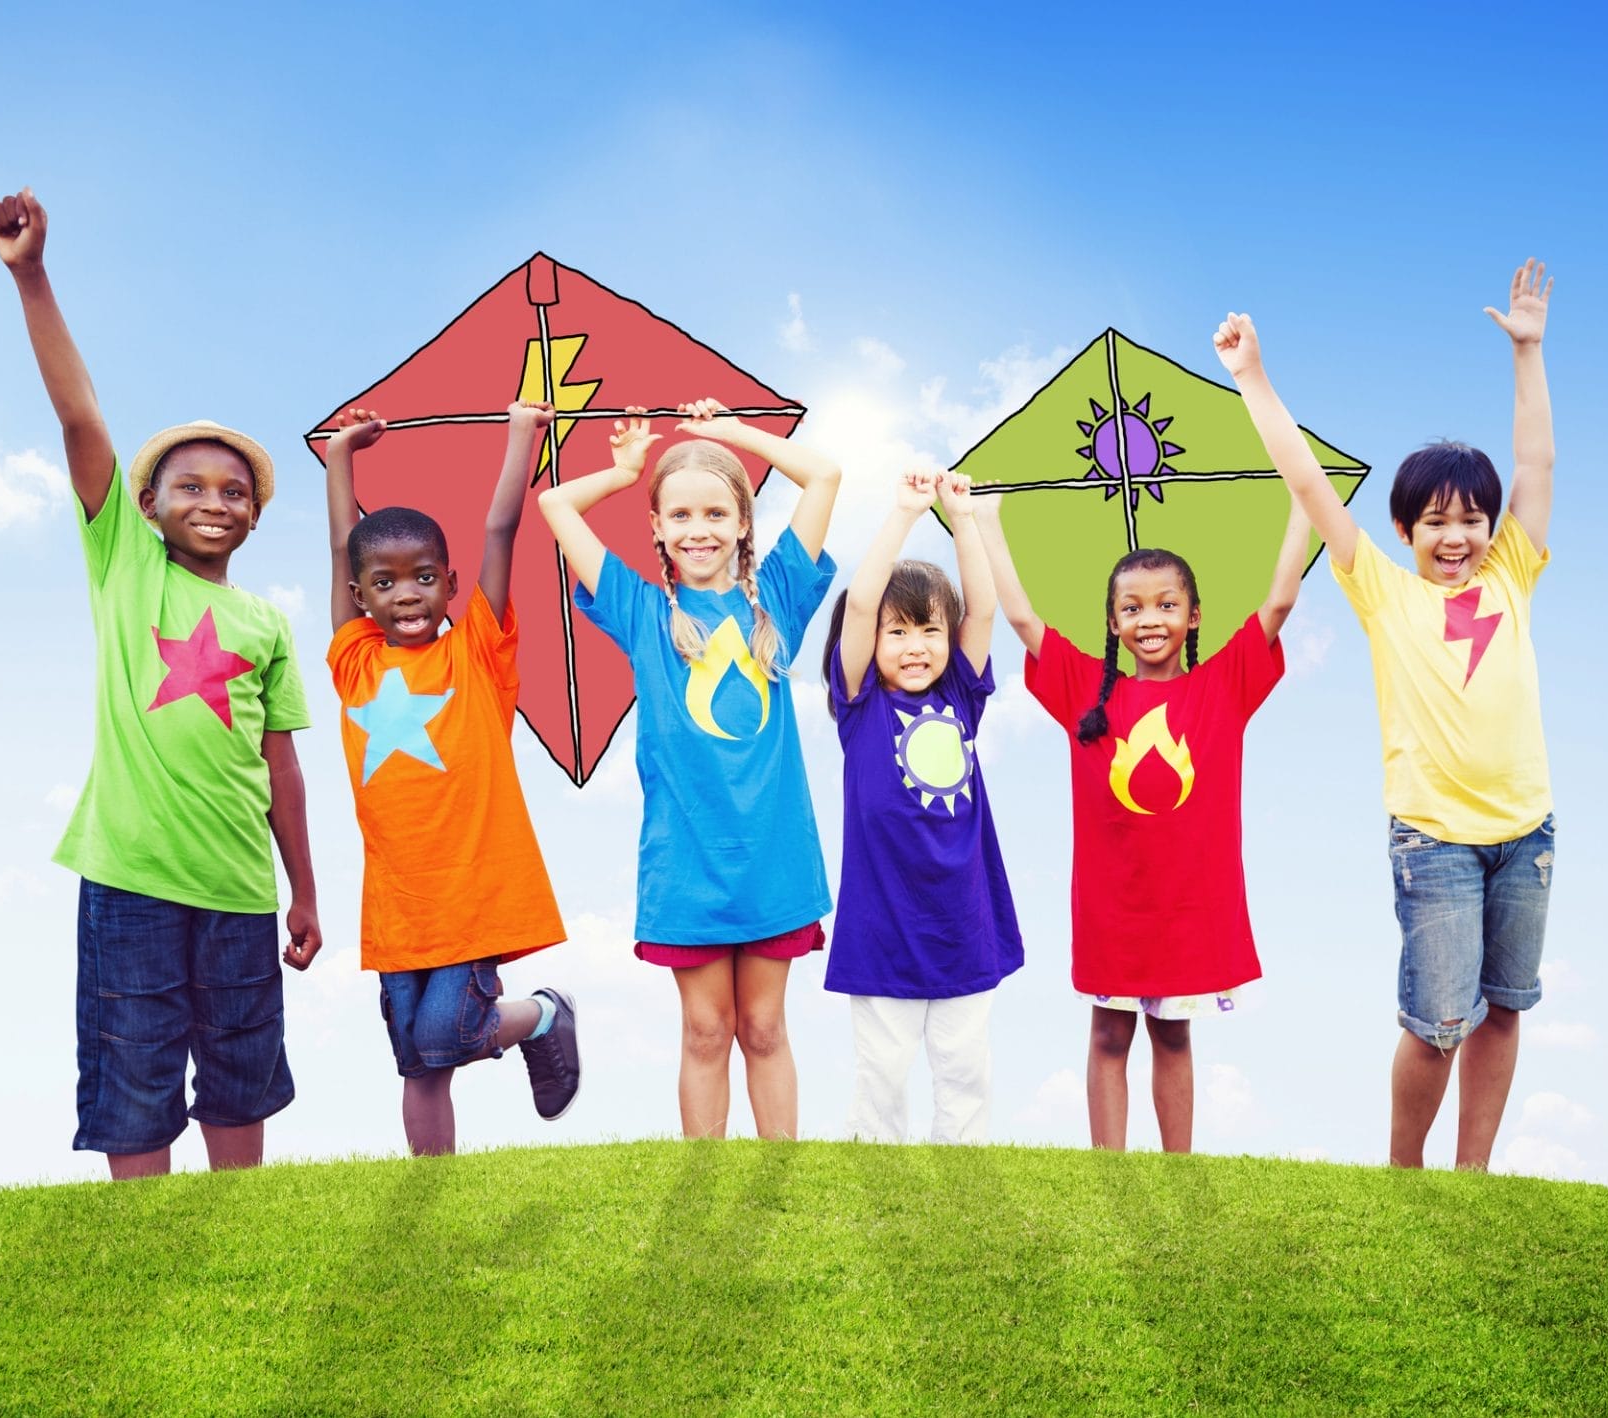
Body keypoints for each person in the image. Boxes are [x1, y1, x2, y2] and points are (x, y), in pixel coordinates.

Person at [0, 187, 320, 1179]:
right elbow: (80, 415)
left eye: (234, 491)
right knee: (133, 1075)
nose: (213, 501)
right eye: (191, 486)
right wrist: (32, 274)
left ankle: (236, 1238)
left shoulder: (264, 622)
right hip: (130, 880)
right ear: (146, 505)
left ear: (256, 515)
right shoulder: (123, 564)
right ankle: (145, 1261)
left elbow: (283, 767)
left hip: (237, 889)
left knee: (241, 1069)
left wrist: (304, 890)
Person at [1214, 261, 1558, 1170]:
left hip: (1526, 832)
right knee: (1440, 1022)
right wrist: (1254, 378)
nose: (1458, 536)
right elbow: (1308, 482)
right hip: (1435, 841)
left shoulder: (1514, 574)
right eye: (1437, 521)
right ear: (1405, 532)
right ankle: (1405, 1174)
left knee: (1506, 1003)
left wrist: (1529, 354)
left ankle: (1472, 1172)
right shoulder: (1381, 590)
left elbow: (1536, 461)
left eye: (1473, 519)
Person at [978, 441, 1311, 1152]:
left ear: (1194, 617)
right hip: (1113, 907)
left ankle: (1177, 1168)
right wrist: (987, 522)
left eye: (1166, 604)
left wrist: (1303, 497)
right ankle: (1109, 1169)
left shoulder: (1222, 686)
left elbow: (1281, 597)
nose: (1149, 617)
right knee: (1107, 1032)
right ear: (1112, 623)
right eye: (1131, 607)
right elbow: (1021, 620)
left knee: (1173, 1032)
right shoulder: (1082, 692)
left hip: (1188, 907)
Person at [537, 398, 840, 1139]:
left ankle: (780, 1185)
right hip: (688, 860)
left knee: (764, 1027)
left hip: (773, 857)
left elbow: (825, 474)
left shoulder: (778, 597)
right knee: (706, 1029)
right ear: (658, 530)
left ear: (743, 523)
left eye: (715, 513)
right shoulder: (639, 609)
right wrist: (621, 471)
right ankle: (706, 1191)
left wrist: (727, 434)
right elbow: (553, 503)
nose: (698, 530)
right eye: (679, 516)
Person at [321, 405, 580, 1154]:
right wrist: (341, 457)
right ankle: (436, 1193)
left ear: (451, 583)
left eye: (425, 577)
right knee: (416, 1055)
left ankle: (540, 1014)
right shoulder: (354, 662)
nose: (407, 594)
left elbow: (500, 530)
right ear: (360, 595)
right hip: (400, 904)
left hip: (472, 891)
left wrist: (521, 436)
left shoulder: (477, 651)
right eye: (386, 582)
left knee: (448, 1031)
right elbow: (344, 544)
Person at [819, 466, 1022, 1143]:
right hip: (882, 923)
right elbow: (856, 605)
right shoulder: (861, 703)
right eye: (897, 632)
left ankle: (959, 1183)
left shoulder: (960, 695)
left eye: (929, 631)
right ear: (872, 643)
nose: (915, 646)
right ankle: (876, 1178)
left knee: (966, 1066)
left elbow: (984, 610)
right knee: (882, 1069)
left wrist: (962, 521)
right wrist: (904, 512)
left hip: (963, 917)